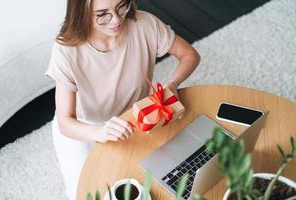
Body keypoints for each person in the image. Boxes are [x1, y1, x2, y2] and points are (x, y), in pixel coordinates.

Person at [45, 0, 201, 199]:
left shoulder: (145, 24)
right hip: (83, 128)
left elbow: (189, 54)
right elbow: (65, 121)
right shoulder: (66, 49)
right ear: (81, 12)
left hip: (135, 118)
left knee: (160, 179)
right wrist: (99, 132)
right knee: (84, 193)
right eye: (102, 14)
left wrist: (171, 84)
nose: (116, 20)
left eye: (121, 6)